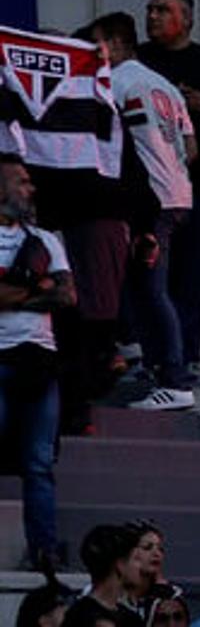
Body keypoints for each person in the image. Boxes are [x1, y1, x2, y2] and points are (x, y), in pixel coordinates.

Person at [91, 11, 197, 411]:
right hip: (180, 194)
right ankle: (150, 363)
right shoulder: (165, 85)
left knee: (151, 291)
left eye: (99, 44)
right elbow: (192, 149)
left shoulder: (114, 82)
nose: (94, 53)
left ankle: (174, 378)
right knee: (142, 285)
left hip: (150, 197)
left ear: (117, 44)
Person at [0, 151, 70, 571]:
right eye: (21, 181)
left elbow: (66, 295)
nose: (31, 188)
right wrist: (35, 284)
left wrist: (14, 288)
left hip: (40, 361)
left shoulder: (46, 240)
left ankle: (44, 550)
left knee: (39, 464)